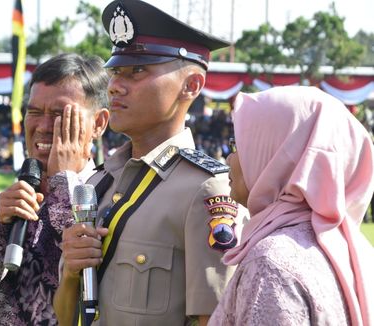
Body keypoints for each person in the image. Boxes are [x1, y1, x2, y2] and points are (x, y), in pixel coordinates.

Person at [54, 1, 245, 325]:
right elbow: (65, 318)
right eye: (116, 71)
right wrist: (72, 275)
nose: (114, 84)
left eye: (137, 71)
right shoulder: (99, 183)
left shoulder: (206, 189)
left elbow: (214, 318)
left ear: (192, 86)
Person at [0, 53, 110, 325]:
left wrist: (64, 186)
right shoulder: (2, 205)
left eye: (59, 114)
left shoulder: (112, 199)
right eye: (34, 112)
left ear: (98, 123)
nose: (42, 126)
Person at [209, 86, 374, 326]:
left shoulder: (270, 262)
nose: (229, 158)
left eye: (238, 145)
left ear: (275, 155)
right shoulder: (354, 250)